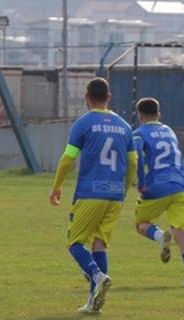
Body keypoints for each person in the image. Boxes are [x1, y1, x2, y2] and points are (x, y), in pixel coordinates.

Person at [49, 77, 137, 315]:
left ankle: (97, 276)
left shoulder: (84, 123)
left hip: (90, 192)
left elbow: (68, 158)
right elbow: (132, 162)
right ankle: (93, 302)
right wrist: (124, 189)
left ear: (86, 97)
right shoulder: (125, 126)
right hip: (115, 195)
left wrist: (56, 186)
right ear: (109, 97)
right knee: (100, 244)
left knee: (75, 243)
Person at [131, 97, 184, 287]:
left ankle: (160, 236)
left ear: (140, 117)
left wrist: (141, 183)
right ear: (159, 114)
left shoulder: (139, 133)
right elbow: (180, 158)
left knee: (141, 224)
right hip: (179, 185)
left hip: (156, 187)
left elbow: (137, 158)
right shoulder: (169, 131)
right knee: (181, 233)